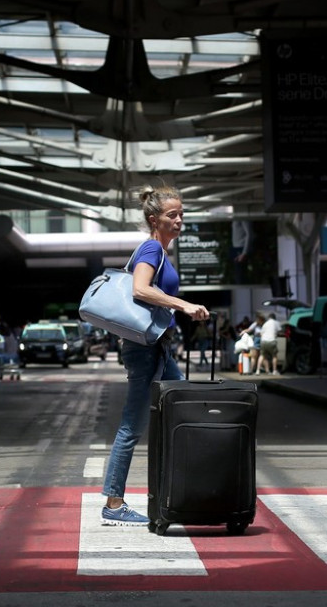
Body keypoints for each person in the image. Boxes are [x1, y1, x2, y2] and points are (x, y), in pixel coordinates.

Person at [102, 184, 209, 526]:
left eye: (182, 214)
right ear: (154, 219)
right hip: (144, 350)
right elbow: (140, 288)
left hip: (157, 347)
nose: (179, 220)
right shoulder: (151, 248)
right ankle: (114, 503)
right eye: (172, 215)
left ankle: (184, 488)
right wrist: (183, 304)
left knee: (185, 410)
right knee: (133, 426)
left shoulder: (161, 250)